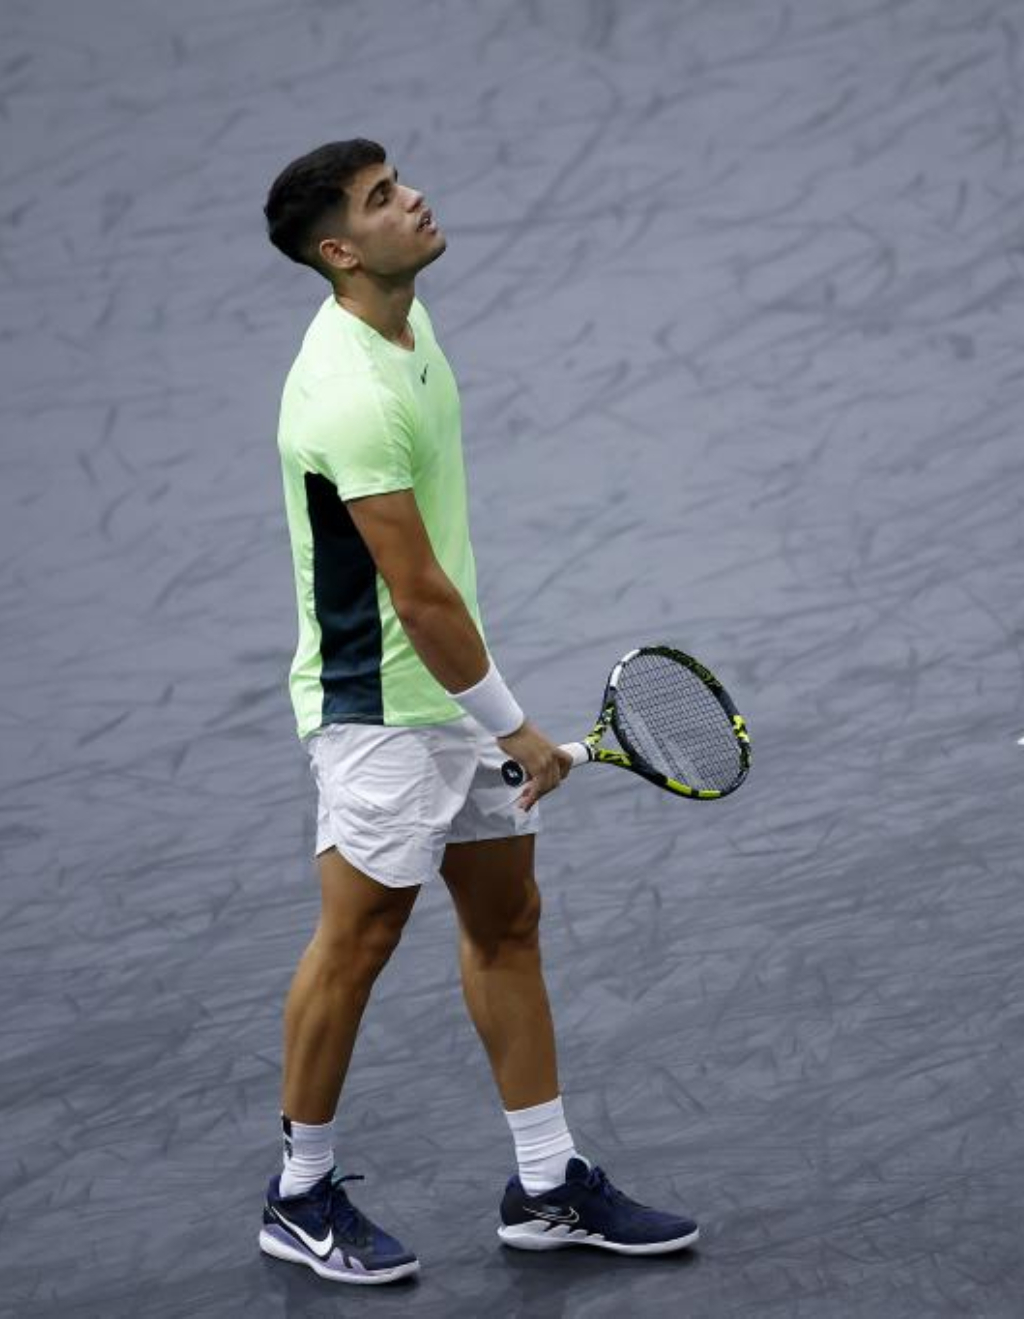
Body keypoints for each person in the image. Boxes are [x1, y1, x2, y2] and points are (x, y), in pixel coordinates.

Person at [256, 138, 698, 1285]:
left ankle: (546, 1186)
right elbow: (416, 590)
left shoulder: (408, 324)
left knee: (508, 923)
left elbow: (438, 597)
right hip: (380, 711)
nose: (415, 199)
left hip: (450, 688)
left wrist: (490, 716)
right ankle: (298, 1194)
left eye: (400, 181)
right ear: (342, 253)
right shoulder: (346, 396)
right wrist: (513, 727)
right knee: (358, 941)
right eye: (382, 199)